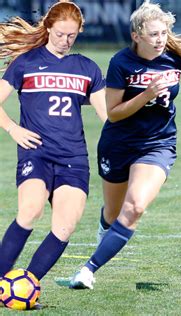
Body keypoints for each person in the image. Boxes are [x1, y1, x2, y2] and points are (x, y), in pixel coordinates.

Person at [69, 1, 181, 289]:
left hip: (158, 144)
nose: (160, 40)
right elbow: (114, 113)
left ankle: (87, 270)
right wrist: (147, 94)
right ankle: (105, 229)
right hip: (118, 143)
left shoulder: (175, 57)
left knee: (136, 206)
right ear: (136, 36)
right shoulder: (121, 62)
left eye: (164, 33)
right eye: (153, 34)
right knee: (113, 212)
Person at [0, 0, 107, 282]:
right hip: (35, 153)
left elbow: (109, 115)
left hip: (73, 159)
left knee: (65, 226)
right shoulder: (26, 63)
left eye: (71, 35)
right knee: (30, 210)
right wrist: (13, 128)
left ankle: (27, 285)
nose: (65, 40)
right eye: (60, 34)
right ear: (48, 28)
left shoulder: (87, 68)